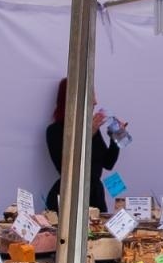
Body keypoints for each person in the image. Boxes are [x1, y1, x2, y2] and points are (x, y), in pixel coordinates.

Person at [44, 79, 124, 213]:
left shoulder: (92, 129)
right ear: (74, 99)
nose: (95, 102)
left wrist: (116, 137)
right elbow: (66, 167)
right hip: (69, 196)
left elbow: (108, 163)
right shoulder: (55, 131)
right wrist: (88, 136)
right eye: (91, 96)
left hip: (95, 197)